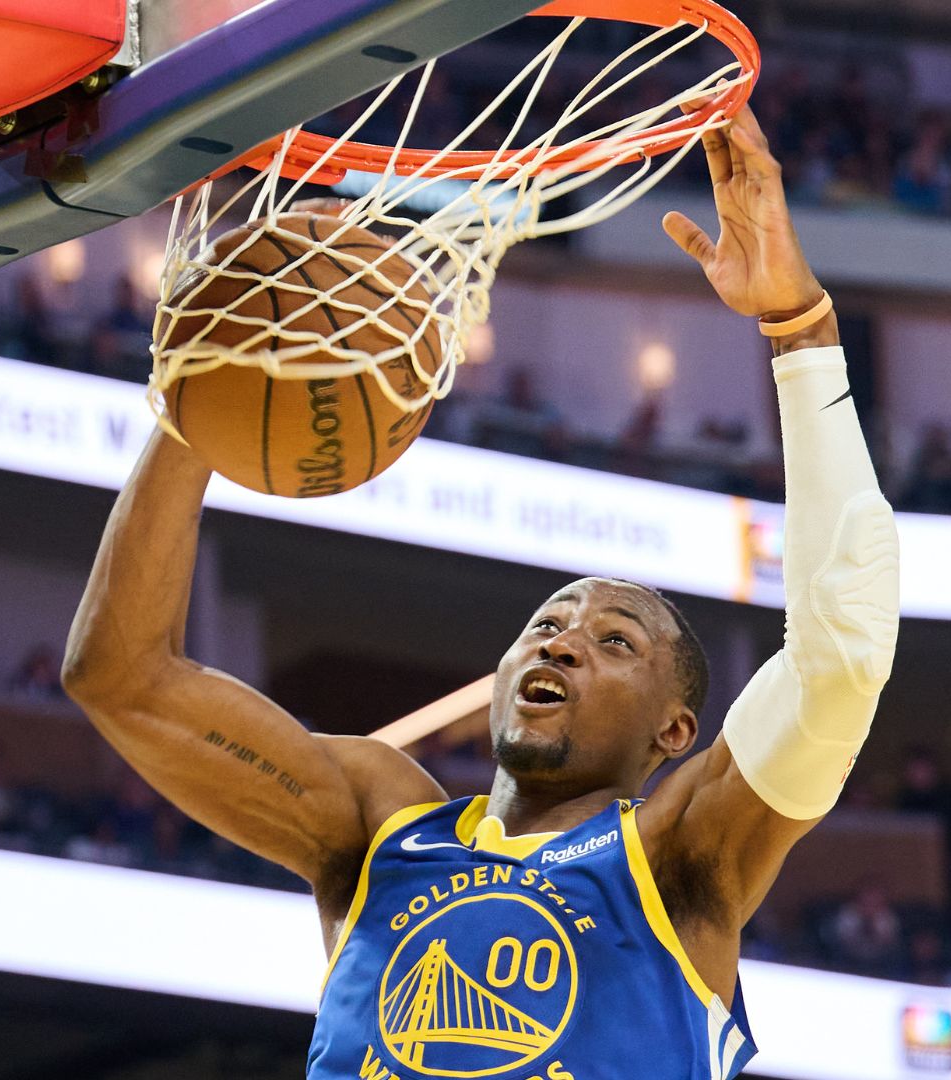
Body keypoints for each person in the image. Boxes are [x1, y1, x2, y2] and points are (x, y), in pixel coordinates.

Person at [64, 106, 901, 1080]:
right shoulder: (378, 825)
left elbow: (839, 662)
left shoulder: (681, 857)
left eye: (616, 642)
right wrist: (203, 394)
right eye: (547, 624)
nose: (562, 642)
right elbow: (121, 679)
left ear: (674, 731)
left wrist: (801, 330)